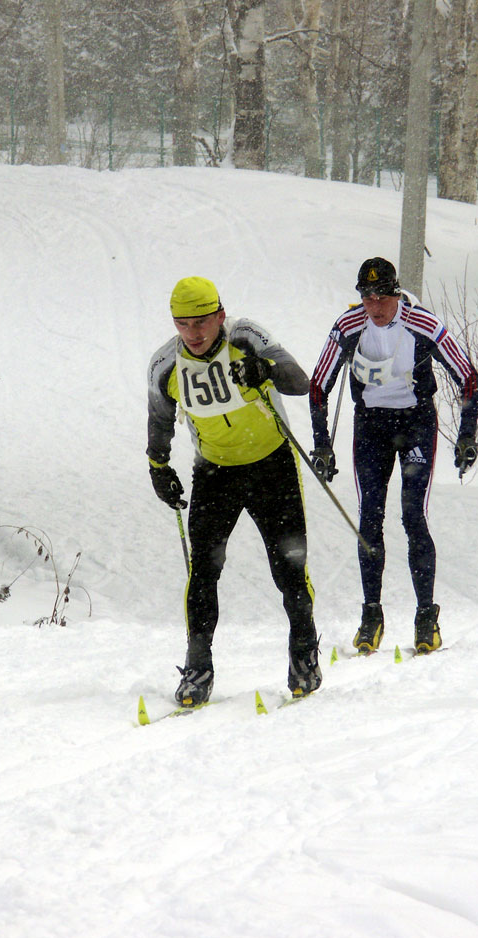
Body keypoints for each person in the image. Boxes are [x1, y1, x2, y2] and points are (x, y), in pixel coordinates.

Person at [147, 276, 321, 706]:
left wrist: (266, 369)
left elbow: (302, 382)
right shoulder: (165, 365)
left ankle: (304, 656)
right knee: (203, 574)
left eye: (203, 322)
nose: (195, 333)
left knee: (288, 570)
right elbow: (159, 419)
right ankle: (197, 669)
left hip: (272, 466)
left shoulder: (246, 337)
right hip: (215, 473)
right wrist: (158, 467)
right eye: (184, 324)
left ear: (220, 316)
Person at [309, 257, 478, 655]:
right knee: (370, 515)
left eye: (382, 296)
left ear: (396, 292)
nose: (375, 305)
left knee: (412, 515)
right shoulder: (349, 326)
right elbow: (319, 385)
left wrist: (467, 435)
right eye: (367, 297)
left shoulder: (423, 324)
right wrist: (322, 443)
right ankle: (372, 615)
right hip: (371, 426)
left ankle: (426, 616)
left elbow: (468, 377)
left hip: (416, 422)